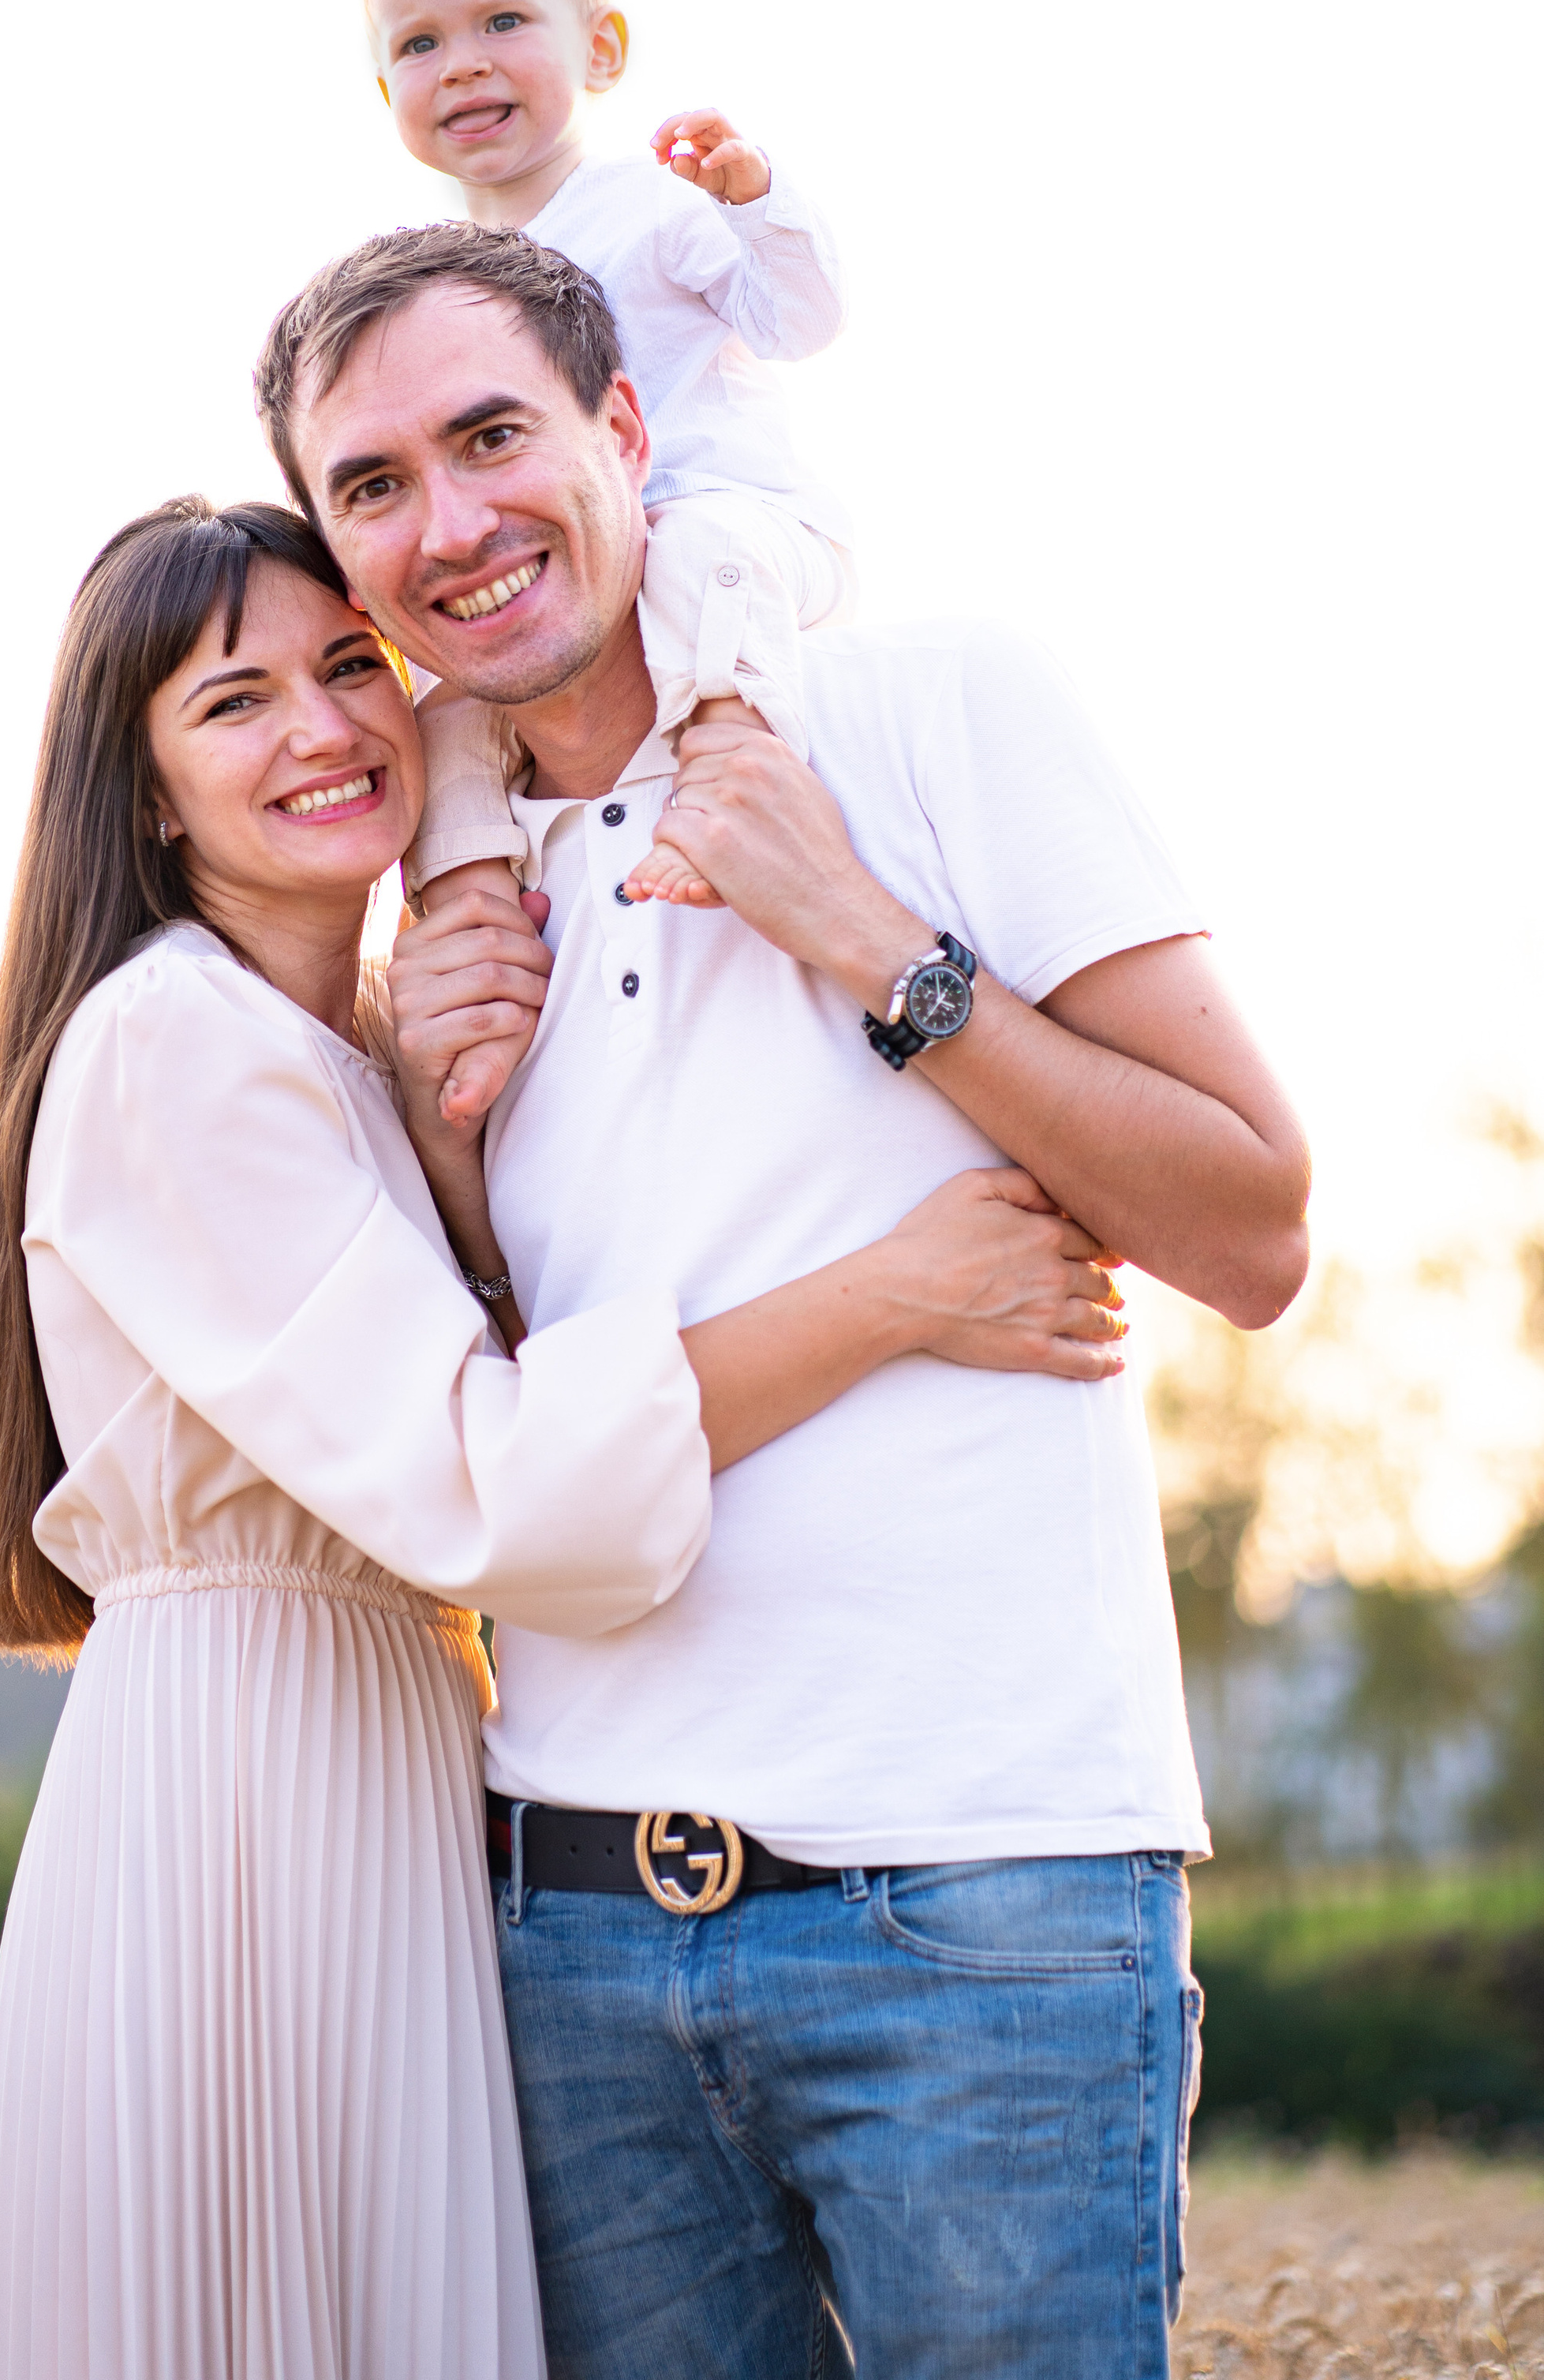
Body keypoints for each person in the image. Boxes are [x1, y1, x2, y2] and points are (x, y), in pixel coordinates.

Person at [257, 227, 1314, 2378]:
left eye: (492, 438)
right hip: (566, 1937)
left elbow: (1254, 1229)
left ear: (627, 430)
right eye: (373, 485)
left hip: (984, 1903)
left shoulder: (927, 707)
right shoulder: (436, 905)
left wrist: (872, 945)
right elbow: (483, 1425)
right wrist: (446, 1144)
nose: (449, 525)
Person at [0, 493, 1132, 2380]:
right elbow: (491, 1488)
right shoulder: (174, 1043)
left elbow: (715, 544)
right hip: (252, 1797)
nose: (325, 732)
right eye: (231, 704)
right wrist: (889, 1296)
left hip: (393, 1770)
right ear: (144, 793)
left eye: (350, 668)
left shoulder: (336, 1049)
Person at [365, 0, 851, 1113]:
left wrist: (752, 200)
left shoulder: (647, 208)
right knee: (451, 696)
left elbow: (797, 319)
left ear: (604, 46)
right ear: (386, 91)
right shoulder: (435, 285)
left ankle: (731, 761)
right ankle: (473, 899)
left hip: (735, 538)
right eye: (421, 42)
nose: (463, 63)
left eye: (504, 21)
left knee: (684, 546)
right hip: (574, 592)